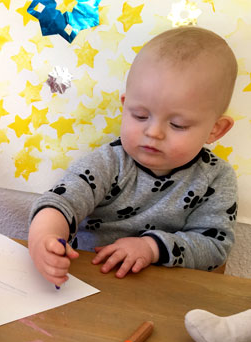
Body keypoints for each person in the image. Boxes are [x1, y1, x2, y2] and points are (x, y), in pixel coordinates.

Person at [28, 26, 238, 287]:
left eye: (178, 125)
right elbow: (62, 202)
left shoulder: (216, 177)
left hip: (164, 291)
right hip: (91, 278)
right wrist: (44, 237)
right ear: (125, 105)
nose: (153, 132)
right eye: (140, 115)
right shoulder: (108, 163)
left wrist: (151, 248)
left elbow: (215, 246)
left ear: (216, 130)